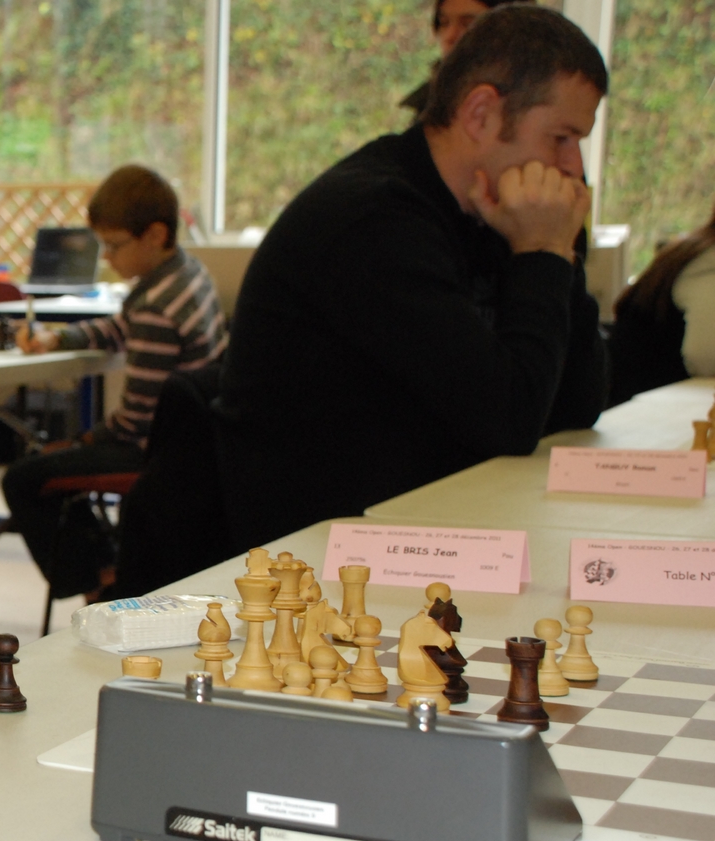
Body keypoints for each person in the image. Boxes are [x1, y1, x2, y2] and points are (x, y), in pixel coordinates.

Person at [211, 4, 609, 551]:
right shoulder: (374, 222)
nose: (572, 167)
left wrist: (558, 252)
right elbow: (511, 421)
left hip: (422, 527)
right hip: (317, 561)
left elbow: (576, 406)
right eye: (561, 138)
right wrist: (542, 252)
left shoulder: (493, 215)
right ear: (481, 114)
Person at [2, 165, 226, 602]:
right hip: (196, 444)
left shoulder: (158, 307)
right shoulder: (186, 276)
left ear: (155, 234)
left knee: (24, 477)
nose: (107, 257)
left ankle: (100, 583)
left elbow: (135, 423)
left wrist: (80, 440)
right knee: (57, 459)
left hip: (159, 453)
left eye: (114, 245)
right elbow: (120, 327)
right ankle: (108, 563)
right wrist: (59, 337)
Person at [608, 198, 715, 404]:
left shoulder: (698, 248)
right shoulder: (707, 264)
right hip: (640, 406)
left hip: (653, 401)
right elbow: (706, 359)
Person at [399, 0, 525, 118]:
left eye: (468, 24)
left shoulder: (529, 103)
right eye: (444, 23)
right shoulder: (429, 106)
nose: (450, 36)